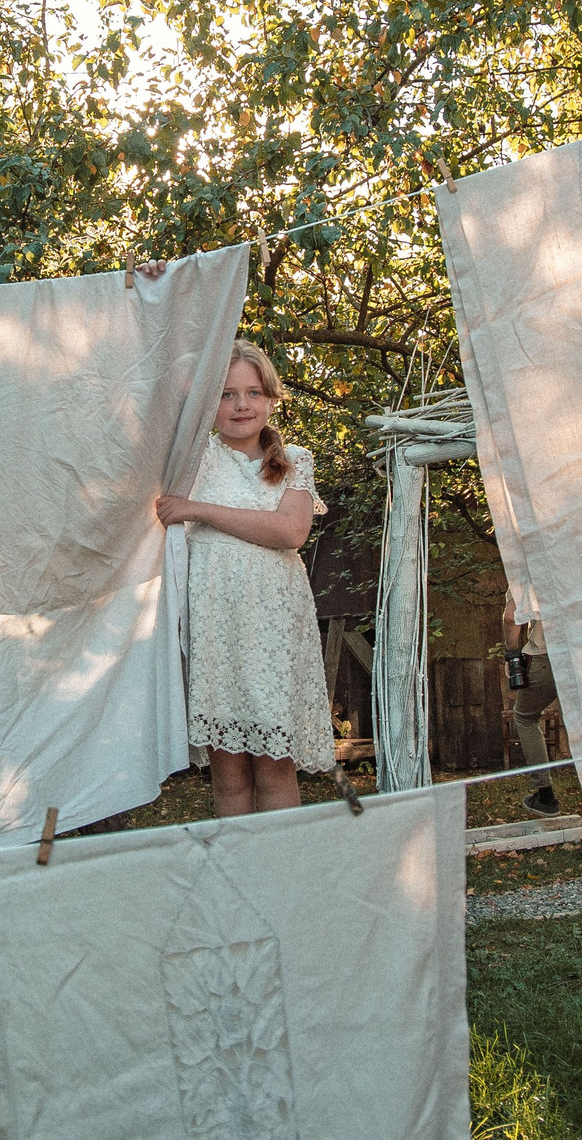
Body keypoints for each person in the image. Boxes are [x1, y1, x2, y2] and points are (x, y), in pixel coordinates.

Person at [156, 338, 337, 814]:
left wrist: (197, 509)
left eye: (253, 393)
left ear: (272, 398)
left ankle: (280, 879)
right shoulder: (191, 460)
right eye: (226, 394)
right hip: (216, 625)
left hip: (274, 628)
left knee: (274, 765)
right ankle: (236, 881)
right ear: (208, 403)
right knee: (229, 770)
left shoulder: (294, 460)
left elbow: (290, 531)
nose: (241, 405)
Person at [502, 597, 564, 818]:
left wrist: (511, 655)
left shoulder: (525, 565)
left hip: (544, 656)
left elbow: (511, 617)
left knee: (525, 718)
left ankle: (546, 797)